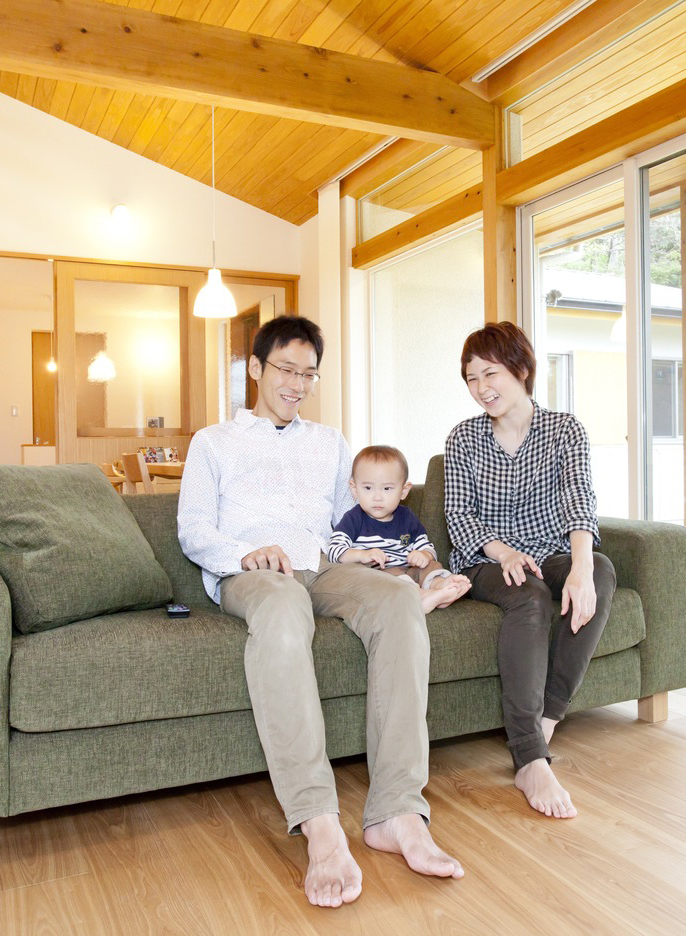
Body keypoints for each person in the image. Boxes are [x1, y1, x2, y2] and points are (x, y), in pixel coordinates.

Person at [177, 316, 463, 909]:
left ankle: (398, 812)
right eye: (286, 369)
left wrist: (403, 564)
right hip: (253, 571)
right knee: (282, 608)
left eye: (308, 374)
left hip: (324, 565)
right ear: (255, 369)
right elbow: (192, 530)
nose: (297, 384)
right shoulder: (213, 442)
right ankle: (318, 821)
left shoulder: (330, 442)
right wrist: (245, 552)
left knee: (398, 603)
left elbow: (352, 519)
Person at [444, 321, 616, 820]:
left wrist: (581, 567)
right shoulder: (464, 439)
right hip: (487, 559)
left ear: (521, 369)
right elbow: (459, 517)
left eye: (490, 374)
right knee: (533, 596)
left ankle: (545, 719)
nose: (481, 389)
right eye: (471, 379)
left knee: (600, 572)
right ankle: (529, 757)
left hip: (549, 548)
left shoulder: (564, 429)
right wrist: (504, 553)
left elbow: (579, 500)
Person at [328, 445, 471, 613]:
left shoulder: (407, 517)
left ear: (403, 491)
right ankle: (420, 596)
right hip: (376, 576)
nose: (377, 497)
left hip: (407, 572)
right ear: (354, 489)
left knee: (430, 565)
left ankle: (440, 584)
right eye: (368, 488)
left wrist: (423, 555)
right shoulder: (353, 518)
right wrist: (362, 555)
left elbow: (427, 546)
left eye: (387, 488)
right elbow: (334, 550)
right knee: (389, 578)